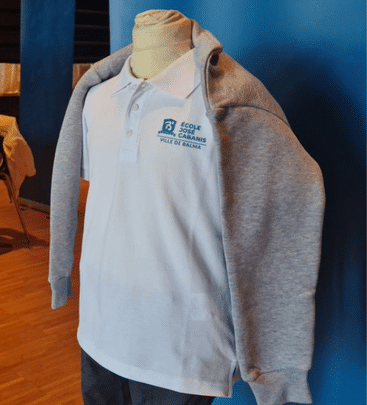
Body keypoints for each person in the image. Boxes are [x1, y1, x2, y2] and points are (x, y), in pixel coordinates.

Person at [50, 9, 324, 405]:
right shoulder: (96, 99)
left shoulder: (233, 107)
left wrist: (278, 365)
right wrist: (62, 276)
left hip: (182, 350)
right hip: (98, 329)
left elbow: (289, 216)